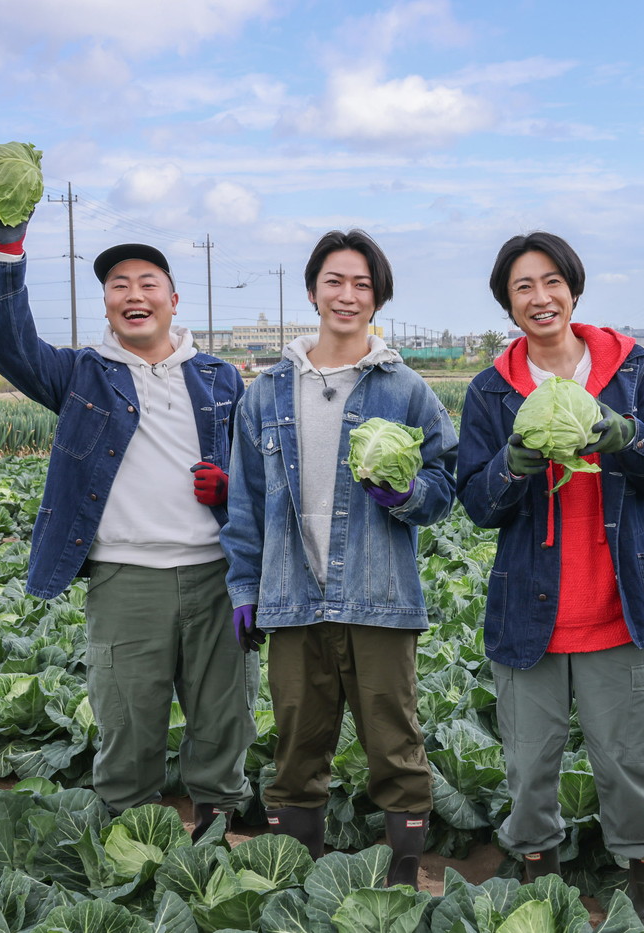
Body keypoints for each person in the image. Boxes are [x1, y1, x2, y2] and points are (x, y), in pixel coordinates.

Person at [0, 200, 257, 841]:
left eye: (147, 284)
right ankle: (130, 837)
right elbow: (6, 343)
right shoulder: (80, 375)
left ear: (174, 300)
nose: (134, 295)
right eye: (118, 286)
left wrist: (232, 490)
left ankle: (217, 822)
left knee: (224, 713)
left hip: (215, 575)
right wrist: (8, 252)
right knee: (127, 717)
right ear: (106, 304)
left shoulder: (220, 378)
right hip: (127, 576)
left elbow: (258, 480)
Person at [455, 231, 644, 930]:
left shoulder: (631, 369)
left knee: (634, 768)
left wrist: (626, 435)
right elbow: (475, 502)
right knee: (531, 773)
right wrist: (514, 462)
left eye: (551, 281)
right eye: (523, 286)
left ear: (574, 290)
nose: (540, 297)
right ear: (508, 302)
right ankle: (544, 901)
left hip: (621, 605)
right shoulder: (491, 390)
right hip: (529, 615)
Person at [220, 229, 457, 889]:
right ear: (313, 290)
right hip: (293, 597)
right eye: (335, 280)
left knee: (396, 748)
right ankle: (296, 884)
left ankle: (403, 883)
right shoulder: (266, 392)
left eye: (361, 284)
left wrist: (411, 493)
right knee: (296, 751)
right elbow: (245, 501)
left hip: (379, 598)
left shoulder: (405, 389)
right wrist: (245, 587)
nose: (347, 295)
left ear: (377, 296)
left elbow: (448, 481)